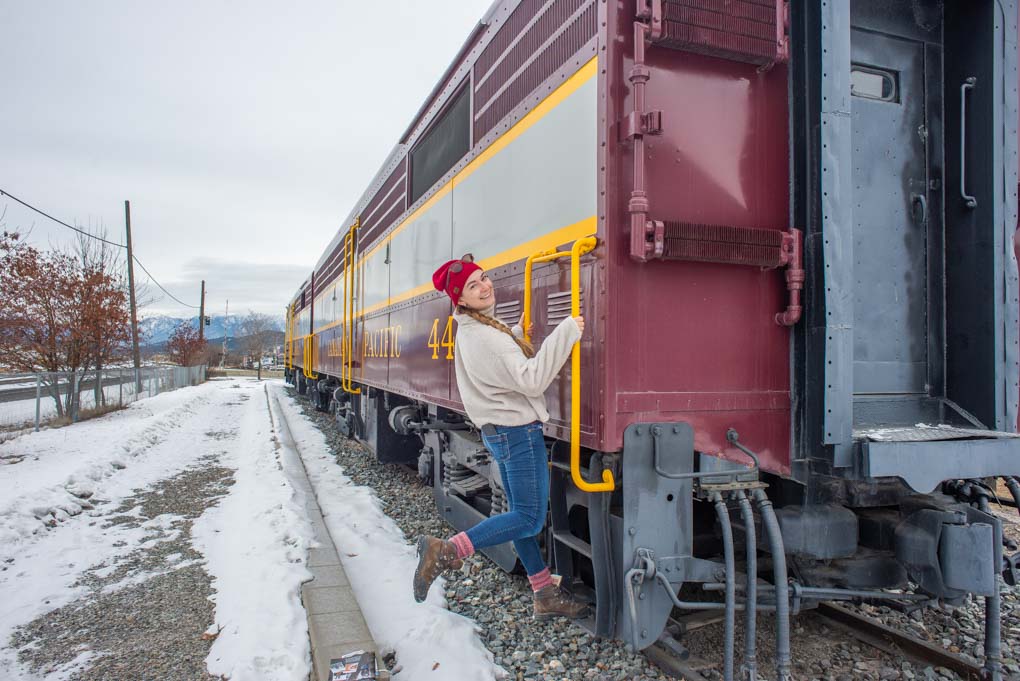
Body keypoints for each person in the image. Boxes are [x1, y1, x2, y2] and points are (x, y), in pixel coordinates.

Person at [412, 253, 590, 619]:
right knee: (528, 518)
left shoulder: (479, 328)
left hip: (504, 434)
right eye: (472, 286)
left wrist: (516, 336)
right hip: (518, 434)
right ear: (459, 299)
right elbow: (532, 379)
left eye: (484, 278)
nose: (484, 286)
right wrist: (567, 329)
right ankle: (446, 551)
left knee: (519, 514)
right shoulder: (483, 336)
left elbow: (502, 369)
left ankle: (543, 592)